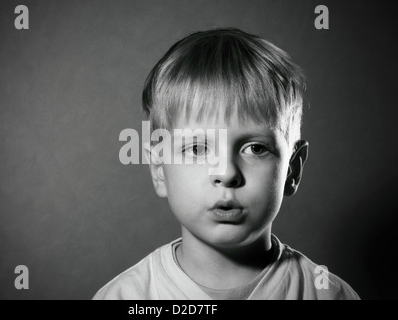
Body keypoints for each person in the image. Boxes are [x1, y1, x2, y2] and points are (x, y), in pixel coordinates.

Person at [94, 28, 360, 300]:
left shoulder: (329, 295)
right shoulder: (125, 297)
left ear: (292, 169)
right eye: (197, 148)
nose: (226, 173)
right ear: (159, 169)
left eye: (256, 149)